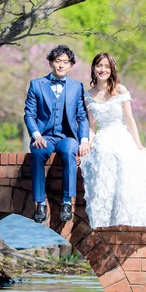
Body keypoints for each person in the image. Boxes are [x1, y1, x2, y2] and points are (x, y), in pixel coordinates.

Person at [78, 53, 146, 228]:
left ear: (112, 70)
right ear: (93, 68)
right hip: (103, 136)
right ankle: (105, 215)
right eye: (99, 65)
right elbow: (92, 126)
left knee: (127, 158)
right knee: (103, 156)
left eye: (107, 66)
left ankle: (125, 213)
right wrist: (88, 143)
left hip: (121, 134)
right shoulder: (87, 95)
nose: (103, 70)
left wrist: (139, 144)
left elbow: (129, 119)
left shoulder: (120, 90)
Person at [24, 45, 91, 223]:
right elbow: (29, 114)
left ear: (71, 65)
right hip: (44, 136)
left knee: (69, 152)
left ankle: (67, 202)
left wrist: (84, 140)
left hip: (67, 137)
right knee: (37, 153)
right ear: (50, 63)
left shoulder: (77, 87)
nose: (61, 65)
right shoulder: (36, 85)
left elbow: (82, 116)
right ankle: (40, 203)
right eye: (57, 61)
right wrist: (36, 135)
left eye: (65, 62)